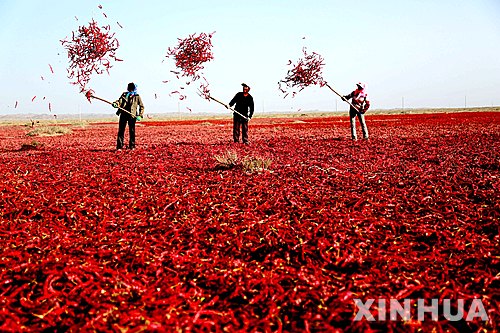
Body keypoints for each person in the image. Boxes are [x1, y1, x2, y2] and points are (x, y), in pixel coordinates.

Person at [112, 82, 145, 150]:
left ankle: (132, 146)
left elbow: (141, 106)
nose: (130, 90)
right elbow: (119, 101)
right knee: (121, 130)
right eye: (129, 89)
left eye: (132, 89)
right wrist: (116, 103)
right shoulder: (124, 95)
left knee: (132, 131)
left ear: (134, 89)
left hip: (132, 116)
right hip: (123, 114)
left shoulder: (137, 96)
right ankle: (119, 147)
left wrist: (140, 115)